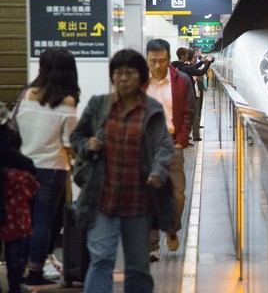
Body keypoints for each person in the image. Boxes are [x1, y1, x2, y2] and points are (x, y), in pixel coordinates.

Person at [70, 49, 175, 293]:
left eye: (129, 73)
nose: (123, 78)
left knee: (138, 267)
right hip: (102, 197)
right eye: (118, 73)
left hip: (139, 202)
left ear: (141, 77)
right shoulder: (99, 105)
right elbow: (77, 135)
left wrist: (158, 171)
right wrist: (87, 145)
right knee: (101, 259)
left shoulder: (152, 109)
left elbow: (163, 146)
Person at [13, 48, 79, 287]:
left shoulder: (26, 94)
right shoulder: (67, 101)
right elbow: (70, 142)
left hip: (24, 167)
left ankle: (18, 268)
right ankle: (36, 270)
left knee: (24, 220)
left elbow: (14, 129)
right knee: (43, 221)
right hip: (52, 168)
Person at [144, 39, 195, 261]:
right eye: (153, 61)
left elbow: (188, 112)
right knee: (148, 196)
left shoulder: (181, 81)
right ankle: (152, 245)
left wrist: (181, 140)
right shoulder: (139, 83)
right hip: (146, 147)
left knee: (177, 195)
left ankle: (172, 228)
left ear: (168, 59)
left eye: (162, 61)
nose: (157, 65)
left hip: (173, 143)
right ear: (147, 59)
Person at [0, 102, 38, 293]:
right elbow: (33, 189)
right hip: (16, 222)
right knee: (14, 256)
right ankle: (15, 287)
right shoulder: (22, 176)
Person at [171, 47, 214, 142]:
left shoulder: (175, 65)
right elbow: (201, 72)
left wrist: (202, 62)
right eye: (186, 54)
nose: (188, 56)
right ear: (182, 56)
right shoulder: (184, 67)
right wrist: (208, 62)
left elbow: (191, 69)